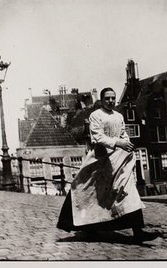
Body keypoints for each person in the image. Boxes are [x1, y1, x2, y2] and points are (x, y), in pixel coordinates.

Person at [57, 87, 159, 242]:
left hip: (119, 159)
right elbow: (98, 137)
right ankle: (88, 228)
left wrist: (127, 143)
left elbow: (123, 133)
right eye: (107, 98)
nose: (111, 101)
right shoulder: (95, 115)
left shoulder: (118, 116)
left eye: (113, 98)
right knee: (91, 195)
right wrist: (118, 142)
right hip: (101, 159)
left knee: (128, 191)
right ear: (102, 100)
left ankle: (138, 231)